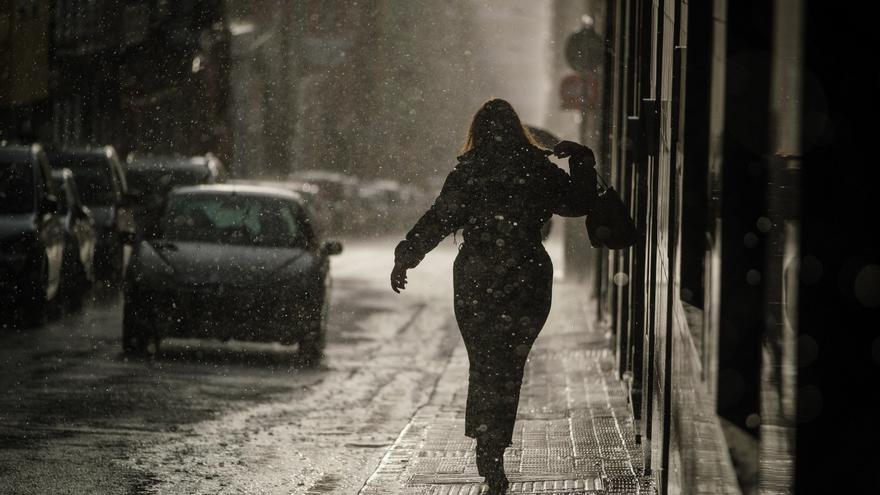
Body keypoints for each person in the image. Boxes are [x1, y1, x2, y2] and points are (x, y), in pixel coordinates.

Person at [390, 98, 597, 493]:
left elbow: (438, 219)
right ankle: (494, 443)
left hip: (477, 276)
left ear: (478, 133)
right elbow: (579, 203)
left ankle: (488, 442)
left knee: (484, 361)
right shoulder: (536, 170)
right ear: (518, 130)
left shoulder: (469, 174)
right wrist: (582, 158)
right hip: (527, 274)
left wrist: (406, 258)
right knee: (509, 363)